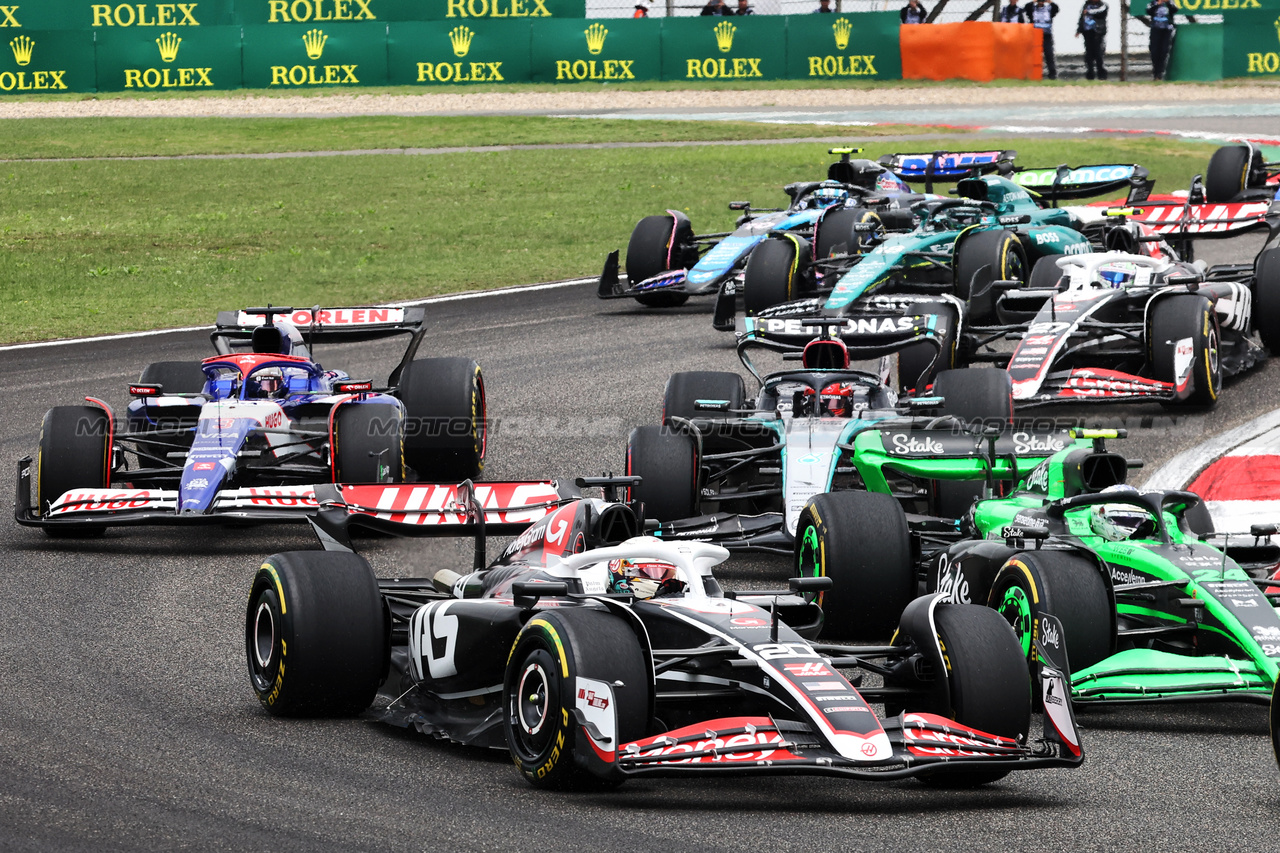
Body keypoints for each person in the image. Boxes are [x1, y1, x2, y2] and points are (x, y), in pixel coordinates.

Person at [1024, 0, 1059, 79]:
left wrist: (1049, 1)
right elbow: (1026, 8)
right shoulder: (1033, 9)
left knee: (1049, 55)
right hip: (1035, 35)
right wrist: (1034, 1)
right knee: (1033, 55)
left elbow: (1056, 9)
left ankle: (1052, 75)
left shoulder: (1048, 9)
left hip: (1046, 35)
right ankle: (1032, 74)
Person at [1076, 0, 1108, 80]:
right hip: (1087, 32)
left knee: (1098, 54)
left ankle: (1101, 74)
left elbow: (1101, 13)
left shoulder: (1103, 5)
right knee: (1088, 54)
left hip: (1097, 32)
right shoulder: (1086, 5)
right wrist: (1079, 30)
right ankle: (1090, 74)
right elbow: (1082, 17)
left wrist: (1089, 12)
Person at [1147, 0, 1177, 80]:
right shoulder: (1153, 3)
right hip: (1155, 29)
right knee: (1154, 51)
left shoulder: (1170, 3)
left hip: (1166, 30)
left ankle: (1160, 73)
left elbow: (1175, 10)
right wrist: (1157, 4)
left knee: (1164, 51)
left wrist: (1168, 3)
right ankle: (1155, 71)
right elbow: (1149, 11)